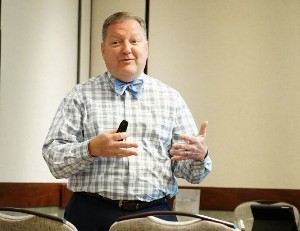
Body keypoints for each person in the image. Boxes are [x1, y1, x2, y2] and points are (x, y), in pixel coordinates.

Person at [42, 12, 212, 231]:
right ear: (103, 50)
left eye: (134, 41)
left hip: (155, 214)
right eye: (116, 42)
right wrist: (92, 148)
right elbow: (54, 159)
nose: (126, 49)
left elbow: (192, 174)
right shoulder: (79, 97)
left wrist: (200, 156)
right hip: (90, 213)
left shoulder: (171, 98)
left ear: (146, 48)